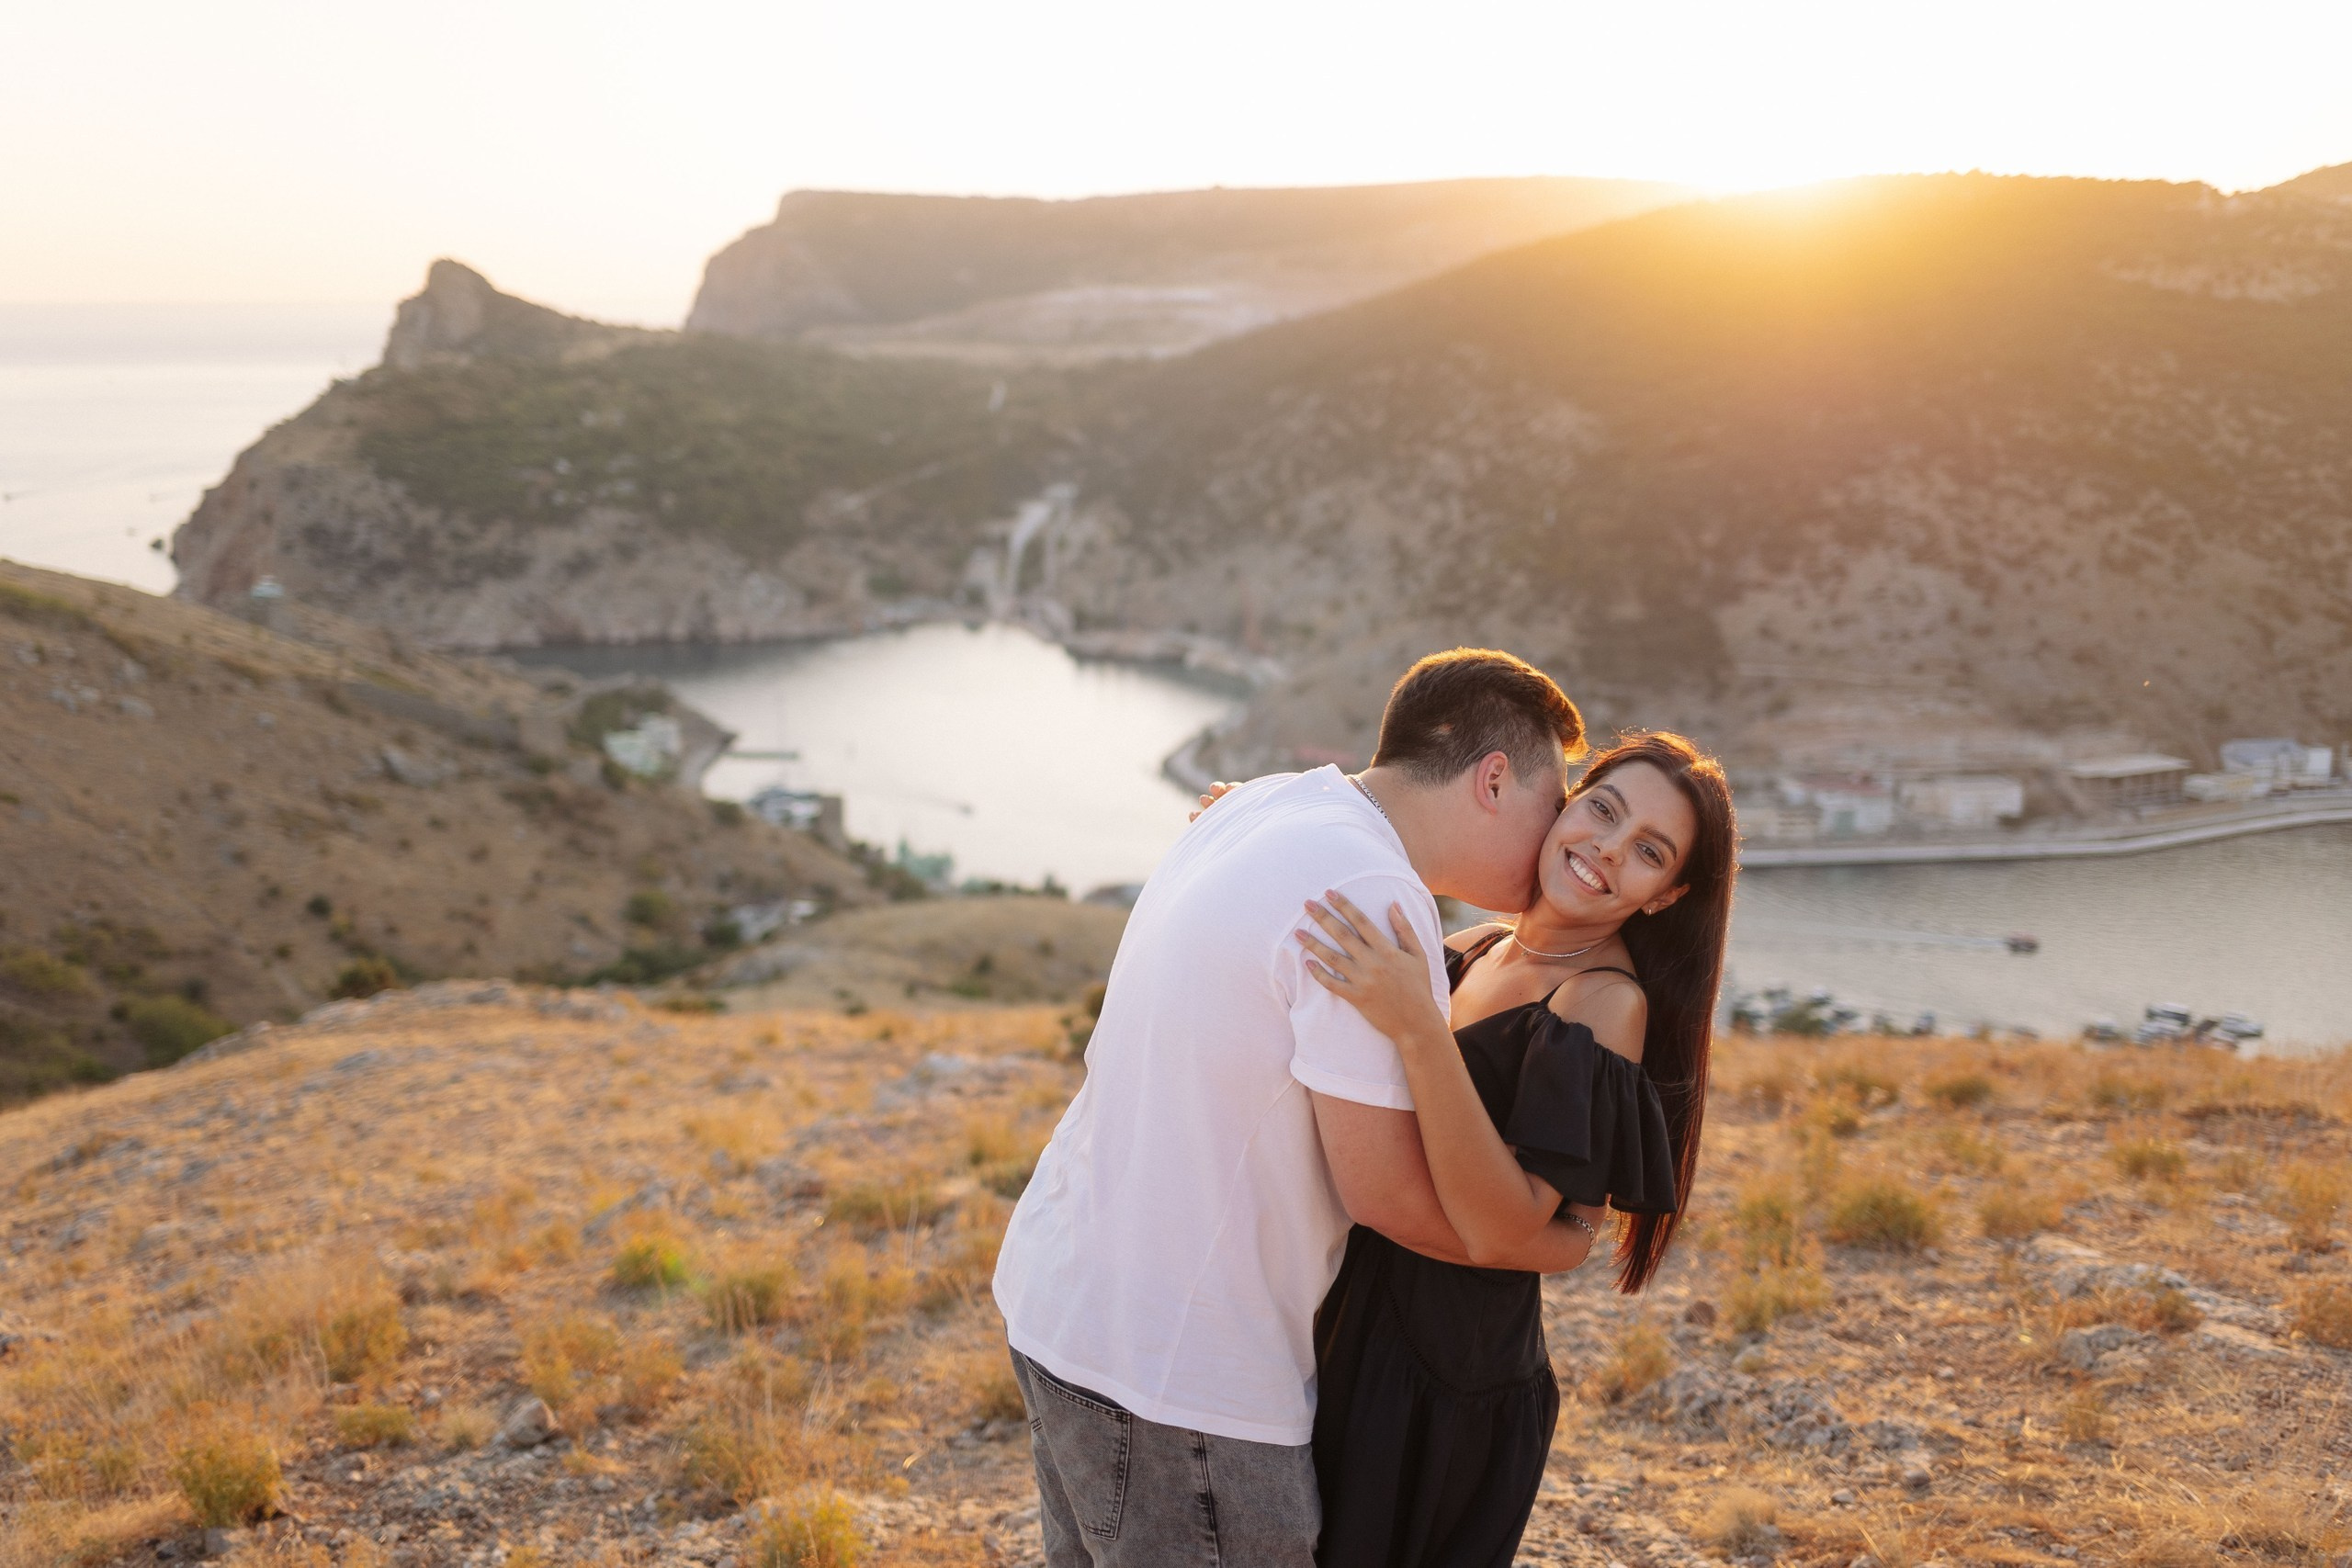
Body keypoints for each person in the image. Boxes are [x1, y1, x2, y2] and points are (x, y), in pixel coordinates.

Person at [992, 649, 1590, 1567]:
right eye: (1556, 803)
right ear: (1494, 779)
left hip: (1064, 1303)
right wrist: (1546, 1243)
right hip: (1182, 1378)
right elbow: (1382, 1194)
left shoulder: (1268, 804)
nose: (1559, 840)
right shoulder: (1375, 893)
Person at [1293, 732, 1736, 1568]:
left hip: (1444, 1385)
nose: (1607, 847)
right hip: (1345, 1323)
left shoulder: (1604, 1003)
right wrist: (1271, 825)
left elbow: (1505, 1227)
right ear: (1567, 802)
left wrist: (1420, 1029)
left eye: (1648, 850)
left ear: (1665, 895)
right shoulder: (1473, 949)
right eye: (1603, 808)